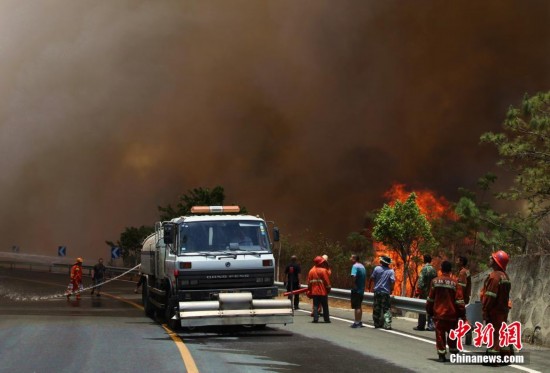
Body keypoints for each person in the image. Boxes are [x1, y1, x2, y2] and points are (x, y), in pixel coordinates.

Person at [426, 260, 466, 362]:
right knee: (452, 333)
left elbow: (431, 299)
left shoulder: (435, 281)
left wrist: (429, 311)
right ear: (450, 270)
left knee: (440, 334)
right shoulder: (455, 283)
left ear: (441, 269)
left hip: (439, 314)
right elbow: (459, 301)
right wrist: (462, 314)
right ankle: (453, 350)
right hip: (452, 314)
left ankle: (442, 355)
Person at [481, 250, 512, 360]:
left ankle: (493, 358)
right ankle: (505, 355)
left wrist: (485, 309)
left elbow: (490, 296)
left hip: (494, 311)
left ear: (496, 262)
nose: (490, 259)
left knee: (494, 335)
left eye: (492, 258)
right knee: (501, 333)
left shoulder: (494, 276)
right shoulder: (505, 276)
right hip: (503, 311)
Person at [368, 255, 395, 330]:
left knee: (377, 308)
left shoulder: (377, 269)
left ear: (382, 262)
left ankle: (376, 323)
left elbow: (372, 278)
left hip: (377, 292)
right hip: (386, 292)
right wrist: (392, 289)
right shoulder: (391, 271)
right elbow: (393, 281)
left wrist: (369, 286)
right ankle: (387, 324)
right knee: (386, 308)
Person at [414, 254, 437, 331]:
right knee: (431, 308)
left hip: (424, 292)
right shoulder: (434, 270)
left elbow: (421, 281)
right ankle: (431, 325)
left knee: (422, 308)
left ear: (424, 260)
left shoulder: (424, 269)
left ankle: (421, 325)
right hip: (432, 292)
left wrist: (418, 291)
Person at [307, 255, 332, 323]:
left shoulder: (311, 271)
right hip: (323, 292)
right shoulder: (324, 271)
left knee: (315, 305)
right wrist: (328, 289)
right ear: (320, 263)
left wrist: (309, 290)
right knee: (325, 306)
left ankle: (315, 319)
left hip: (314, 292)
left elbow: (309, 282)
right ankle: (326, 319)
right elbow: (327, 281)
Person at [350, 254, 366, 328]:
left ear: (354, 259)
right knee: (359, 306)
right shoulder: (362, 266)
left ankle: (356, 322)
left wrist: (353, 285)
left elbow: (353, 276)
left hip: (356, 289)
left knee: (357, 306)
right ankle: (359, 321)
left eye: (351, 257)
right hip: (361, 289)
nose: (350, 259)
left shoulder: (355, 266)